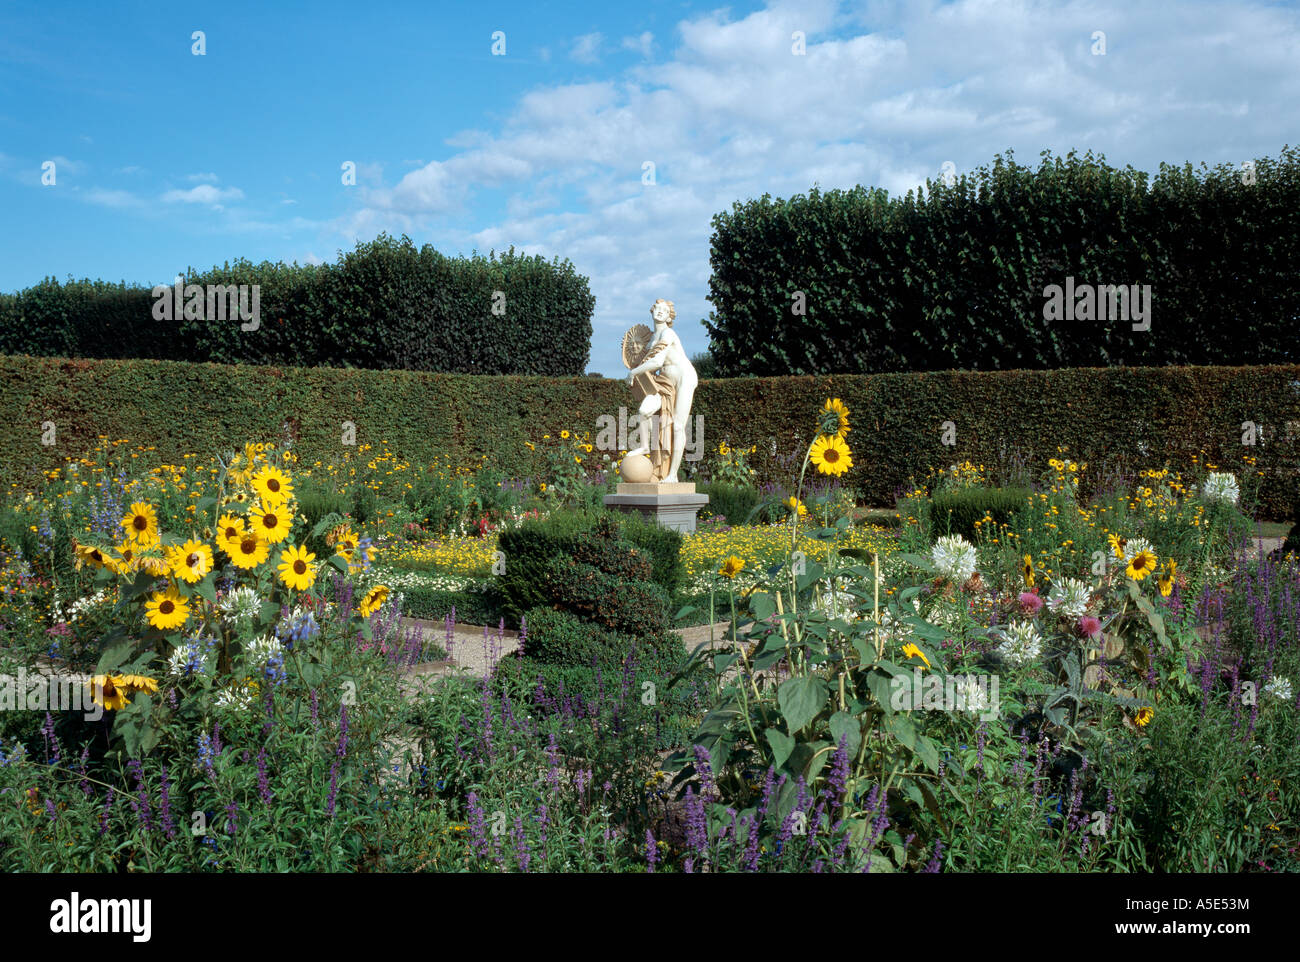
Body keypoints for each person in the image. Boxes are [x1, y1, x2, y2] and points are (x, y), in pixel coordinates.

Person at [625, 298, 698, 483]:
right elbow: (645, 363)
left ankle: (673, 475)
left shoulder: (668, 333)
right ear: (652, 311)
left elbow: (656, 362)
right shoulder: (650, 342)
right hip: (664, 381)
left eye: (664, 311)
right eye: (657, 308)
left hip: (684, 378)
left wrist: (633, 372)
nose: (660, 312)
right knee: (643, 411)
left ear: (668, 316)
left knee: (678, 426)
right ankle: (644, 447)